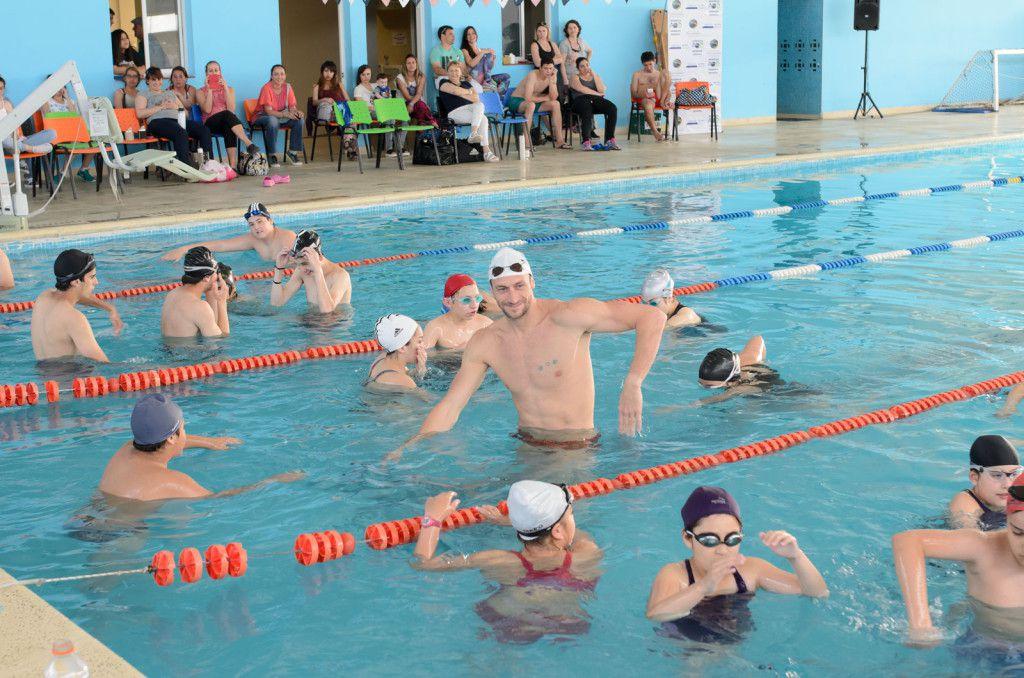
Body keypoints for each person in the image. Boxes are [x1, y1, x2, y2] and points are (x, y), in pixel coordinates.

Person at [392, 247, 665, 456]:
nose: (512, 298)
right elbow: (451, 405)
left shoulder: (569, 316)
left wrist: (633, 383)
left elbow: (652, 318)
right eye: (503, 289)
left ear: (532, 281)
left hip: (575, 450)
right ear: (491, 292)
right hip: (525, 447)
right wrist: (411, 446)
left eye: (519, 285)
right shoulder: (486, 341)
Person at [412, 481, 602, 644]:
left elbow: (423, 564)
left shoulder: (500, 560)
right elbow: (568, 535)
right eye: (571, 514)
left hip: (510, 622)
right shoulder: (586, 552)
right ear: (559, 531)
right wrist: (511, 521)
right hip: (569, 623)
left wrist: (432, 519)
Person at [646, 486, 828, 643]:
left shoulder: (751, 570)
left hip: (735, 644)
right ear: (687, 538)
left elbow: (817, 592)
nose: (723, 550)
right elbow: (656, 614)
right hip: (688, 647)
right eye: (710, 540)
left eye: (732, 539)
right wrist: (704, 586)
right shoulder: (675, 575)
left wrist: (796, 556)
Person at [893, 474, 1024, 646]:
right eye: (1017, 531)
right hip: (985, 647)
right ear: (1006, 520)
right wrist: (920, 624)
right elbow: (908, 541)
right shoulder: (985, 547)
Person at [98, 394, 303, 501]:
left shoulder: (127, 449)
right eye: (184, 428)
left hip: (86, 516)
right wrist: (273, 481)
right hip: (121, 535)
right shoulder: (173, 481)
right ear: (171, 438)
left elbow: (168, 439)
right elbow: (219, 498)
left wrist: (210, 442)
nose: (186, 433)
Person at [30, 249, 125, 363]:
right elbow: (103, 364)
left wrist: (110, 308)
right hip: (70, 378)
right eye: (92, 277)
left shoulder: (44, 297)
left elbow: (77, 296)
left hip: (44, 376)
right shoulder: (75, 319)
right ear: (75, 282)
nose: (96, 282)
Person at [162, 202, 296, 262]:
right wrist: (184, 249)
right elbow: (220, 245)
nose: (256, 227)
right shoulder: (253, 239)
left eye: (260, 221)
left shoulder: (287, 237)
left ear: (270, 221)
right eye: (251, 224)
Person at [136, 66, 213, 167]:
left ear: (162, 80)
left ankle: (208, 165)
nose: (156, 82)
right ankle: (186, 168)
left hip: (177, 121)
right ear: (147, 81)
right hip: (157, 122)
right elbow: (140, 114)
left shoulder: (170, 93)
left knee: (204, 130)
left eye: (159, 79)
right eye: (153, 79)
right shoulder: (143, 94)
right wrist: (161, 106)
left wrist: (176, 107)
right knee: (180, 132)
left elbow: (186, 114)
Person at [196, 61, 261, 170]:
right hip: (210, 123)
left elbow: (231, 109)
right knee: (227, 115)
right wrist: (210, 90)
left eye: (216, 70)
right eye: (210, 71)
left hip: (227, 121)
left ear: (220, 73)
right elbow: (207, 110)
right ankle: (248, 143)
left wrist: (225, 88)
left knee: (229, 125)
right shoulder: (200, 91)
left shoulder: (230, 89)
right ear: (206, 74)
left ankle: (233, 167)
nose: (214, 73)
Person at [949, 435, 1022, 530]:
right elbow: (970, 541)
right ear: (974, 477)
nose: (1007, 485)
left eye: (1013, 474)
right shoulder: (964, 502)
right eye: (997, 475)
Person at [270, 229, 352, 313]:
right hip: (310, 320)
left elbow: (327, 311)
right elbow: (277, 303)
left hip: (334, 323)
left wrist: (318, 272)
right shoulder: (302, 270)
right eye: (298, 264)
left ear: (319, 257)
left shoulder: (341, 276)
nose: (301, 269)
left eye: (305, 264)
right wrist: (279, 270)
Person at [160, 247, 231, 338]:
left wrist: (210, 293)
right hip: (189, 351)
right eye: (216, 271)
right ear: (206, 277)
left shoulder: (172, 293)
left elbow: (210, 324)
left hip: (168, 350)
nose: (218, 275)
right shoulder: (200, 307)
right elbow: (222, 340)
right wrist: (222, 302)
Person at [438, 61, 499, 163]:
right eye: (451, 71)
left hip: (470, 110)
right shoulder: (443, 82)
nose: (454, 73)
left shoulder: (466, 83)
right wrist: (468, 92)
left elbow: (476, 98)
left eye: (456, 70)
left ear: (461, 73)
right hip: (454, 113)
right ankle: (484, 149)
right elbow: (454, 91)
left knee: (482, 112)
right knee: (482, 117)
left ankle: (484, 149)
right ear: (447, 73)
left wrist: (460, 92)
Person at [253, 64, 305, 168]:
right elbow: (268, 112)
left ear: (285, 76)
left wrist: (296, 112)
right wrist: (284, 114)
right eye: (276, 74)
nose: (279, 77)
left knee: (299, 120)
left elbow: (292, 106)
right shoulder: (266, 88)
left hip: (281, 117)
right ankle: (271, 155)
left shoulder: (288, 87)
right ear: (271, 76)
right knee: (273, 120)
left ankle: (292, 152)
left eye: (282, 74)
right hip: (263, 117)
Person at [508, 60, 569, 150]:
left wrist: (552, 81)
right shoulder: (533, 75)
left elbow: (554, 97)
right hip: (517, 101)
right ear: (540, 68)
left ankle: (559, 141)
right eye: (545, 68)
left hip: (533, 102)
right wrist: (545, 98)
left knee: (555, 104)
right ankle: (527, 144)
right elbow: (527, 98)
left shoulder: (550, 77)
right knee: (531, 105)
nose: (548, 71)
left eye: (550, 68)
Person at [42, 83, 96, 182]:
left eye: (61, 86)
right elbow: (48, 117)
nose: (59, 89)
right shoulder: (46, 102)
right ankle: (63, 172)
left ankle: (84, 169)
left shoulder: (70, 101)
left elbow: (74, 117)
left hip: (71, 132)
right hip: (55, 134)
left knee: (94, 140)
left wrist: (66, 97)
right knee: (75, 141)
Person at [423, 274, 493, 351]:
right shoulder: (436, 328)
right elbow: (424, 357)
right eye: (466, 300)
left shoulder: (485, 324)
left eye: (477, 298)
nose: (474, 305)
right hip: (446, 363)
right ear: (448, 302)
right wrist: (456, 351)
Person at [352, 65, 406, 157]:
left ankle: (400, 146)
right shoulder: (358, 88)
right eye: (363, 75)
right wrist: (374, 108)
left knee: (404, 118)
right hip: (370, 112)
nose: (366, 77)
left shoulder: (376, 85)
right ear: (359, 76)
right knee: (390, 118)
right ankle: (389, 149)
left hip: (383, 110)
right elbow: (360, 105)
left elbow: (388, 90)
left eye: (368, 74)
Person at [365, 314, 426, 390]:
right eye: (420, 341)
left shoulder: (381, 359)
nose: (424, 345)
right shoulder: (405, 382)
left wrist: (420, 369)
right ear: (402, 348)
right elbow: (428, 400)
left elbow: (404, 374)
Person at [569, 57, 619, 151]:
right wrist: (598, 94)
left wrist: (594, 75)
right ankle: (586, 142)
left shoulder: (595, 76)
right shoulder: (574, 77)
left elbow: (602, 90)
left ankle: (610, 140)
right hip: (579, 101)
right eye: (582, 66)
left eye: (587, 65)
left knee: (612, 108)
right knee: (587, 108)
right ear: (578, 68)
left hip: (594, 100)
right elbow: (582, 89)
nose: (585, 68)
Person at [1, 76, 55, 156]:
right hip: (4, 145)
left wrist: (17, 137)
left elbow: (14, 125)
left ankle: (21, 147)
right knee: (2, 136)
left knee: (51, 133)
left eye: (2, 88)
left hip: (16, 141)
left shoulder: (6, 104)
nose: (0, 91)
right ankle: (30, 148)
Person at [630, 51, 671, 142]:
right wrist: (643, 94)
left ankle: (663, 102)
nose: (648, 67)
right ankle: (655, 132)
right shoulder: (637, 75)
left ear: (655, 61)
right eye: (645, 65)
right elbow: (634, 93)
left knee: (666, 73)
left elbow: (667, 90)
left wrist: (667, 99)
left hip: (659, 97)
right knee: (648, 105)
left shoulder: (659, 74)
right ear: (642, 64)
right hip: (646, 98)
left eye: (650, 64)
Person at [461, 26, 508, 94]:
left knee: (506, 77)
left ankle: (498, 95)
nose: (471, 35)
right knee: (485, 56)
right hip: (474, 79)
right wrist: (483, 53)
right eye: (468, 34)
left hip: (485, 77)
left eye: (473, 33)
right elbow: (471, 64)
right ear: (465, 37)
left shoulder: (481, 50)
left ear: (476, 35)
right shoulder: (464, 50)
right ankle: (490, 86)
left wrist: (493, 59)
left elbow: (489, 68)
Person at [395, 54, 438, 127]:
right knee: (421, 105)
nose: (411, 65)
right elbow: (407, 96)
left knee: (420, 106)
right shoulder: (400, 78)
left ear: (416, 64)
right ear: (405, 65)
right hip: (403, 105)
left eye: (413, 62)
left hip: (416, 105)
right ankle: (432, 121)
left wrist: (412, 103)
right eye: (408, 63)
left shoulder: (421, 76)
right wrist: (416, 102)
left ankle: (421, 129)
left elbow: (419, 93)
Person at [559, 20, 592, 86]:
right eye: (570, 28)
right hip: (571, 76)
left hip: (584, 75)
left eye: (575, 27)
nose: (573, 30)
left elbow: (590, 51)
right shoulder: (564, 44)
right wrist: (565, 80)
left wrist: (587, 62)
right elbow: (561, 63)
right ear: (567, 30)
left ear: (578, 29)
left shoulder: (581, 41)